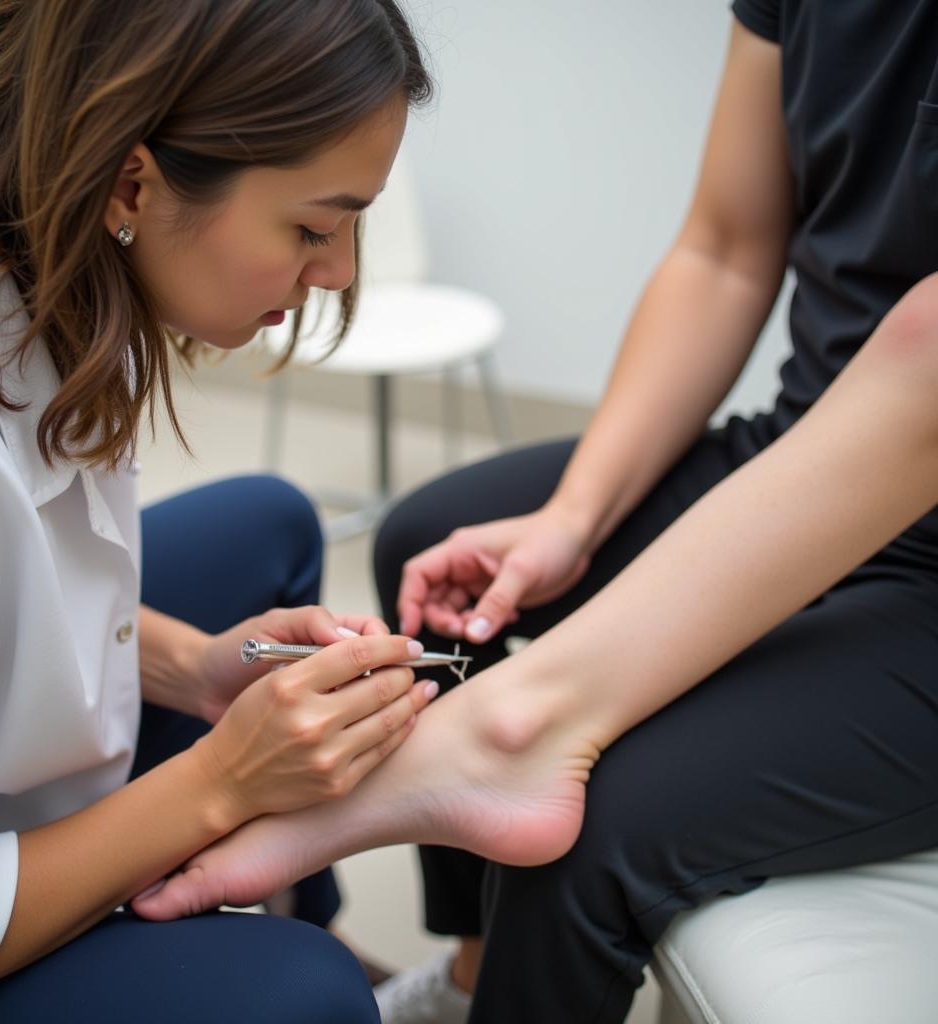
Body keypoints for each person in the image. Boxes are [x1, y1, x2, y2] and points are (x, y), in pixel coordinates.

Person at [128, 2, 938, 1023]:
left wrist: (532, 711)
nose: (332, 270)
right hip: (808, 442)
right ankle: (474, 973)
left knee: (593, 817)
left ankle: (499, 746)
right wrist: (573, 516)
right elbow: (728, 247)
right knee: (432, 547)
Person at [0, 1, 438, 1020]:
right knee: (308, 998)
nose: (332, 272)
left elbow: (8, 587)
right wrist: (221, 780)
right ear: (132, 181)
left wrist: (192, 671)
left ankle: (289, 912)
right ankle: (278, 956)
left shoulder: (36, 279)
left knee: (269, 522)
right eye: (314, 226)